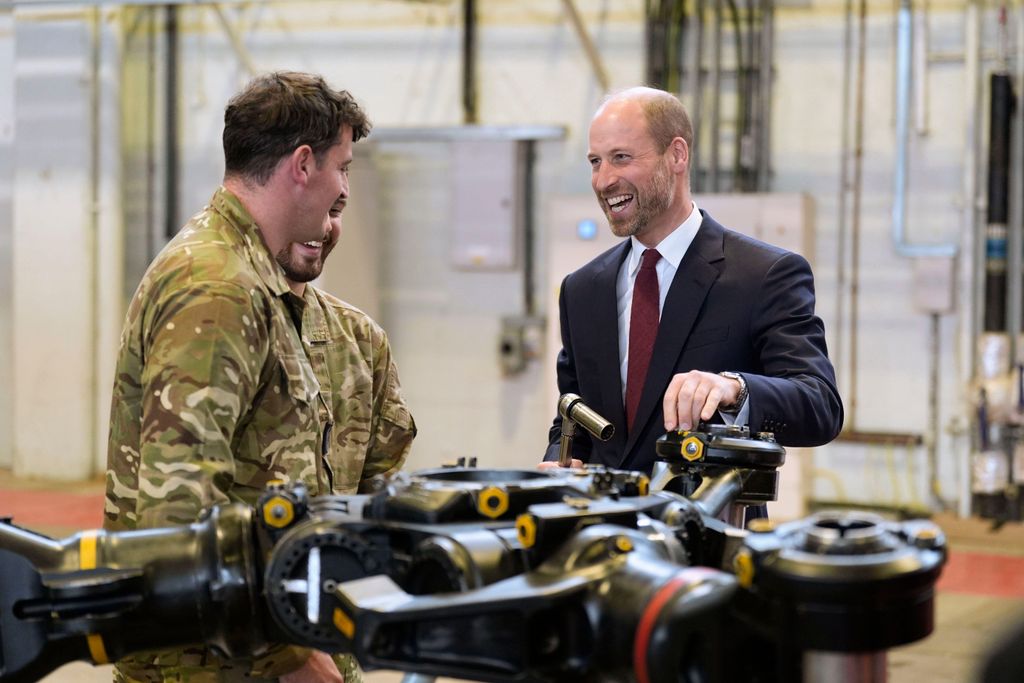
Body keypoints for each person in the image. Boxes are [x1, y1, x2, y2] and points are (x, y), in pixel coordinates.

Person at [103, 72, 416, 683]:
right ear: (303, 164)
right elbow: (177, 517)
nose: (343, 188)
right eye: (342, 168)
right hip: (218, 666)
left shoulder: (266, 288)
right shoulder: (216, 288)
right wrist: (286, 658)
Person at [543, 86, 842, 475]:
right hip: (605, 532)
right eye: (596, 162)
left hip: (708, 529)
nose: (603, 181)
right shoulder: (583, 290)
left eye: (621, 158)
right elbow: (573, 417)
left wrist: (735, 389)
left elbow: (820, 406)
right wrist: (558, 463)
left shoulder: (764, 275)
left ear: (677, 155)